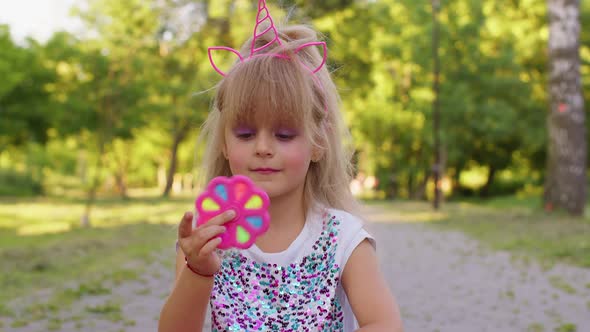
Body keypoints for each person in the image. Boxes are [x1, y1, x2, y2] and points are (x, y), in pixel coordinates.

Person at [159, 1, 403, 331]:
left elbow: (384, 323)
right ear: (226, 144)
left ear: (318, 143)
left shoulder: (342, 238)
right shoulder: (208, 236)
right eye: (245, 134)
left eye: (284, 134)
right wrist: (198, 270)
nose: (262, 148)